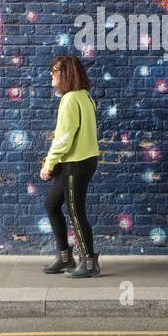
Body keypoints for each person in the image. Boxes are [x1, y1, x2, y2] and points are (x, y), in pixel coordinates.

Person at [40, 55, 102, 277]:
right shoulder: (85, 96)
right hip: (81, 162)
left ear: (66, 74)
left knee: (76, 212)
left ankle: (89, 262)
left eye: (55, 70)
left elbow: (64, 138)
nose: (51, 74)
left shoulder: (70, 99)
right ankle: (64, 257)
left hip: (76, 163)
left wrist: (49, 164)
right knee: (51, 204)